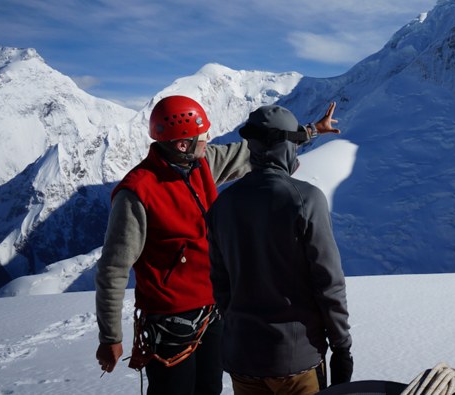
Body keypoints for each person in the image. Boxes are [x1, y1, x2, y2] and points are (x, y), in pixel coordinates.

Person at [95, 95, 340, 395]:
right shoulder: (137, 192)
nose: (208, 140)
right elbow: (113, 269)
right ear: (182, 144)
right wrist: (110, 337)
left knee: (210, 388)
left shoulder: (203, 163)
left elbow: (258, 147)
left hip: (212, 315)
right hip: (169, 324)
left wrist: (311, 130)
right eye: (202, 136)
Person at [206, 104, 353, 395]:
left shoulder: (223, 204)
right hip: (296, 359)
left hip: (242, 357)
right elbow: (329, 283)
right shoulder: (306, 200)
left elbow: (221, 284)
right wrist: (341, 347)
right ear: (288, 148)